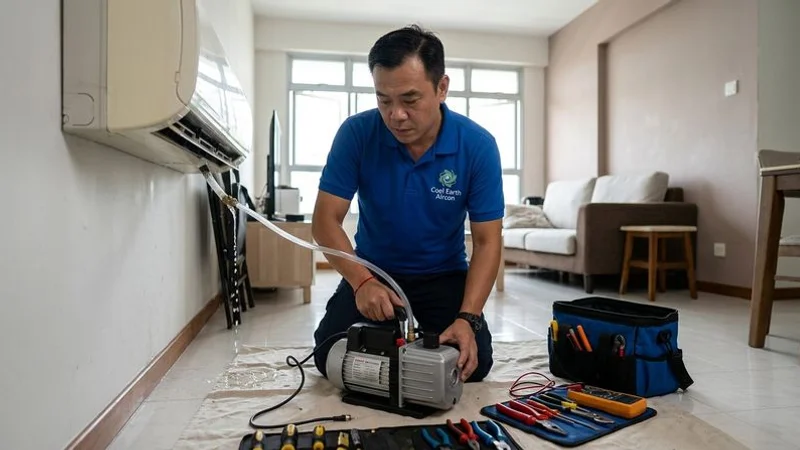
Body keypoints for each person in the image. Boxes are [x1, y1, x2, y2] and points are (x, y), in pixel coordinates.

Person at [311, 24, 504, 383]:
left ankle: (399, 354)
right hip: (375, 273)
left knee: (475, 364)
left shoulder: (477, 146)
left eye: (410, 100)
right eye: (384, 100)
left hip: (442, 276)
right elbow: (325, 221)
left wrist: (468, 318)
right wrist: (361, 282)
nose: (395, 115)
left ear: (441, 87)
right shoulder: (357, 134)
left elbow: (488, 241)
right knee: (328, 354)